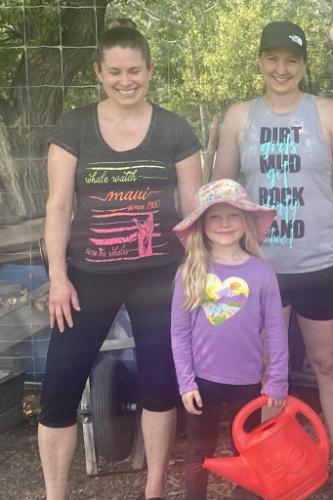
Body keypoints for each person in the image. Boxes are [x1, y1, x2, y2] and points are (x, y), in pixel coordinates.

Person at [40, 19, 202, 500]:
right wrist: (56, 276)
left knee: (159, 386)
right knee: (58, 392)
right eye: (115, 72)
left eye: (135, 71)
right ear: (99, 71)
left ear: (150, 70)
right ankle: (55, 494)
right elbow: (58, 206)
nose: (126, 81)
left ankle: (153, 490)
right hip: (86, 278)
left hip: (160, 276)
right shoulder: (74, 125)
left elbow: (194, 208)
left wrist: (196, 271)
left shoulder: (174, 127)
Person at [212, 20, 333, 497]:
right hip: (261, 267)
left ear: (304, 65)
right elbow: (219, 191)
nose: (282, 68)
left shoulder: (326, 112)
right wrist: (217, 253)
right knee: (267, 367)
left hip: (322, 261)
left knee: (328, 362)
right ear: (260, 61)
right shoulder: (239, 116)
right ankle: (270, 461)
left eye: (293, 60)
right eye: (273, 59)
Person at [170, 179, 288, 500]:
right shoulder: (189, 272)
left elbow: (276, 330)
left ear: (246, 221)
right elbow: (179, 332)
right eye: (214, 217)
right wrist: (186, 382)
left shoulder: (262, 273)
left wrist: (277, 380)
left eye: (232, 215)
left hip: (247, 381)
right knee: (199, 451)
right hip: (202, 382)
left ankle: (246, 494)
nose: (224, 224)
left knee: (247, 449)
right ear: (201, 225)